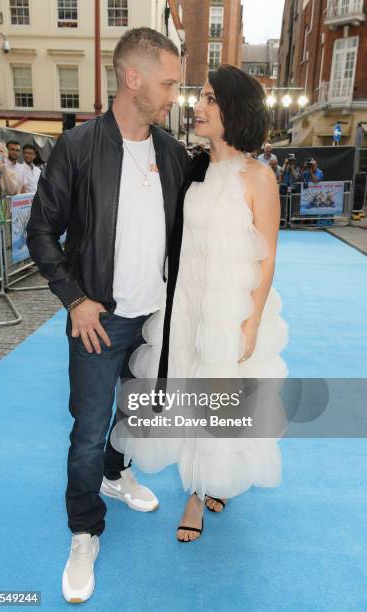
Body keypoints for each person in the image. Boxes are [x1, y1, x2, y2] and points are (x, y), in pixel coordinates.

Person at [26, 27, 188, 604]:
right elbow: (40, 230)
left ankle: (118, 478)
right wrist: (74, 298)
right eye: (168, 82)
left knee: (137, 417)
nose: (176, 94)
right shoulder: (78, 147)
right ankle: (83, 528)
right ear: (132, 78)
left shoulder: (172, 153)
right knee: (89, 433)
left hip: (155, 321)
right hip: (100, 320)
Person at [113, 65, 288, 542]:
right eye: (200, 97)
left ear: (235, 109)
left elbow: (267, 256)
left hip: (231, 308)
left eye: (210, 98)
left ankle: (206, 486)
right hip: (186, 303)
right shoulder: (192, 167)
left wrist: (250, 323)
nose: (198, 106)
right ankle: (198, 487)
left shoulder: (259, 178)